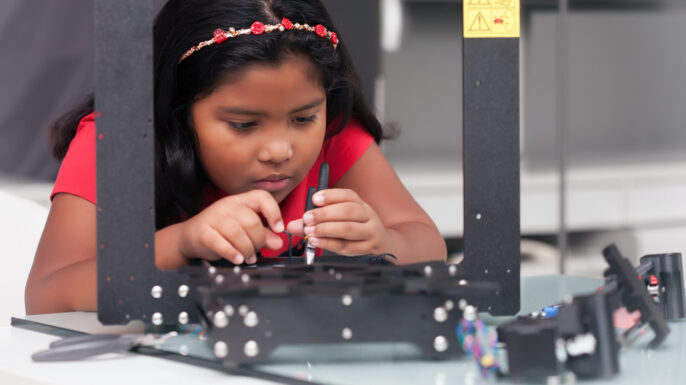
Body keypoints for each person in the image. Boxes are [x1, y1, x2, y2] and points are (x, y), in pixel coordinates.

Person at [25, 0, 447, 314]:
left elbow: (428, 245)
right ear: (178, 109)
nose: (280, 150)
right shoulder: (115, 140)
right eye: (244, 125)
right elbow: (46, 296)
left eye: (303, 118)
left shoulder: (336, 135)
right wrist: (181, 242)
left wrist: (383, 244)